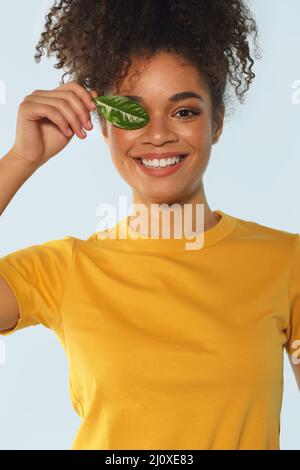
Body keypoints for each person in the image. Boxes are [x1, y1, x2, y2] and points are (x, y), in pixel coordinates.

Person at [0, 0, 299, 451]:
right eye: (132, 114)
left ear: (216, 122)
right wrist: (20, 160)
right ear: (104, 127)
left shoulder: (287, 261)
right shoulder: (65, 269)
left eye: (184, 111)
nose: (157, 135)